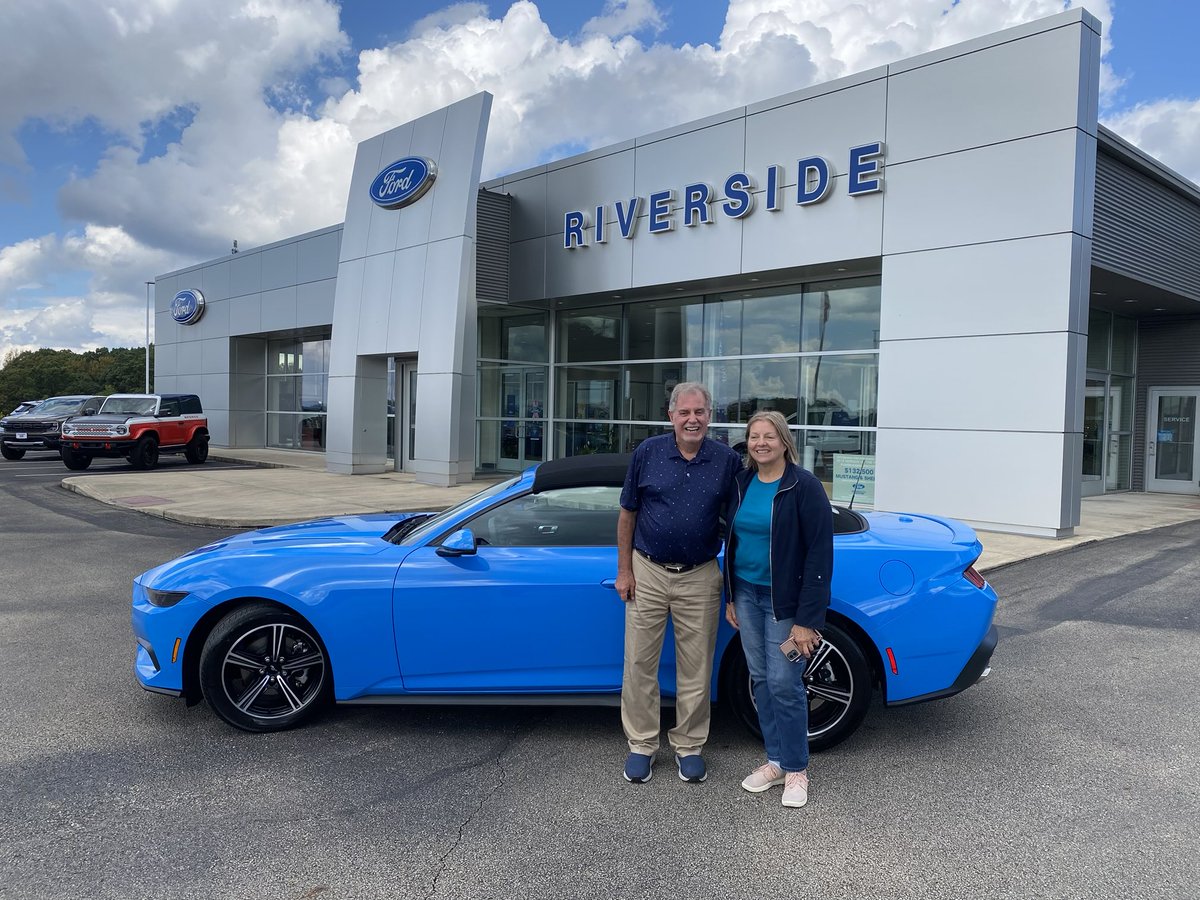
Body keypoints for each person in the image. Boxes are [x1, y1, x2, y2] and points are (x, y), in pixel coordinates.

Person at [616, 381, 742, 784]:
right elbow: (627, 513)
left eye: (699, 412)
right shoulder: (648, 452)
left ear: (709, 416)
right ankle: (642, 744)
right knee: (639, 663)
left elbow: (739, 525)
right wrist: (624, 570)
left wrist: (734, 587)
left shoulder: (726, 460)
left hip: (700, 575)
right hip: (648, 571)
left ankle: (689, 746)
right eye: (684, 412)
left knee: (696, 667)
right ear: (671, 416)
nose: (692, 419)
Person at [723, 410, 833, 808]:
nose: (761, 443)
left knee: (785, 683)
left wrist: (807, 620)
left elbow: (820, 554)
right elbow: (733, 543)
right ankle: (775, 761)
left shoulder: (804, 486)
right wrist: (731, 595)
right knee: (760, 679)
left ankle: (797, 769)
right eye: (754, 436)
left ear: (784, 442)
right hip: (747, 595)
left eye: (769, 436)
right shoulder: (742, 483)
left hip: (783, 602)